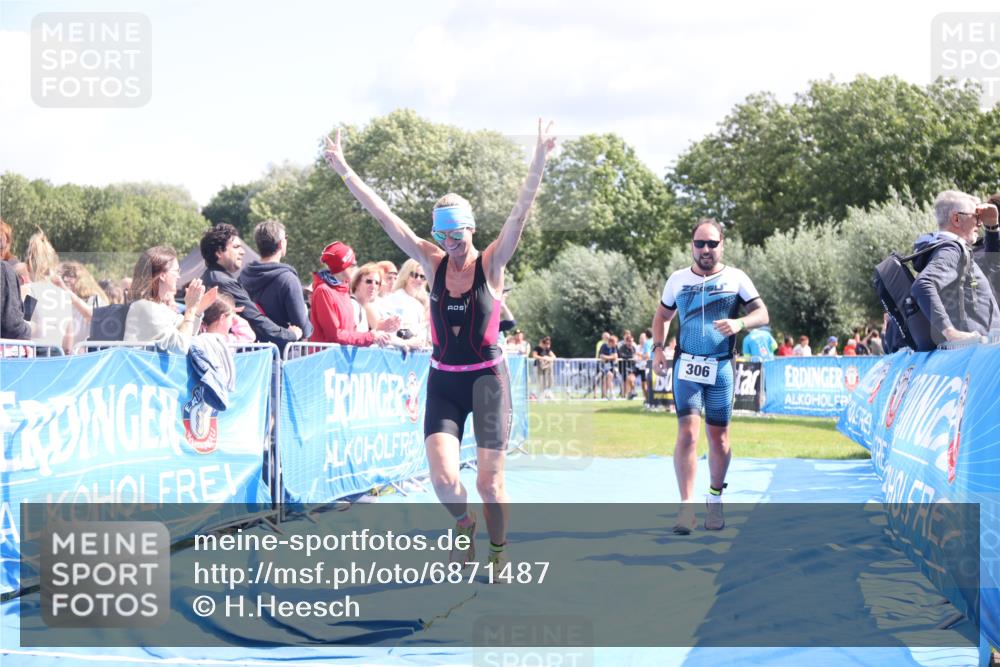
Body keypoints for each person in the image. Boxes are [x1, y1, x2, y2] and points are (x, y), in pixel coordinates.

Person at [322, 118, 556, 572]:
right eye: (442, 235)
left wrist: (539, 160)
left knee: (490, 484)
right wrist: (345, 170)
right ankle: (464, 524)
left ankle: (499, 551)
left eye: (457, 235)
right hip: (444, 383)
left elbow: (519, 215)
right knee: (445, 481)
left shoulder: (492, 263)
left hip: (488, 382)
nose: (449, 244)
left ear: (470, 229)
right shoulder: (431, 261)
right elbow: (384, 217)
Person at [652, 218, 769, 534]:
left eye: (712, 243)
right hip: (686, 367)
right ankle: (686, 507)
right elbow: (662, 315)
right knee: (688, 434)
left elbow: (762, 313)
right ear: (691, 245)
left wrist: (740, 324)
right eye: (700, 243)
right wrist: (658, 349)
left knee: (719, 438)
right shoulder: (677, 279)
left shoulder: (736, 278)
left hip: (720, 368)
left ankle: (715, 496)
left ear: (722, 245)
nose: (705, 249)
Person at [911, 191, 1000, 343]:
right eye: (976, 217)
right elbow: (923, 284)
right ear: (957, 219)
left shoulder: (952, 248)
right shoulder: (952, 249)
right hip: (973, 353)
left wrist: (992, 227)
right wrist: (951, 332)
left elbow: (992, 267)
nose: (980, 224)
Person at [199, 223, 301, 350]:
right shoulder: (222, 281)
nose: (242, 252)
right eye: (236, 247)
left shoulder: (213, 277)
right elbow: (256, 320)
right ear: (219, 252)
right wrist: (289, 335)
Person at [124, 246, 218, 354]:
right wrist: (191, 310)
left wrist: (197, 310)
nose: (178, 276)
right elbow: (181, 347)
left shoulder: (157, 307)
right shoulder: (145, 307)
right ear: (163, 275)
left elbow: (187, 333)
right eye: (176, 271)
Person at [239, 220, 313, 341]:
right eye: (286, 238)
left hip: (251, 351)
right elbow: (302, 327)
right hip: (282, 352)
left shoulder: (243, 276)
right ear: (280, 243)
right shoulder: (288, 279)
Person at [310, 242, 392, 347]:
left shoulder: (344, 289)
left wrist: (376, 333)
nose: (355, 267)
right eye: (353, 264)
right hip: (326, 360)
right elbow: (334, 335)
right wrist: (371, 337)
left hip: (341, 359)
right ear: (342, 267)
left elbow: (351, 331)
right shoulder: (323, 291)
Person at [22, 231, 73, 354]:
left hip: (33, 359)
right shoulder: (64, 295)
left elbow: (23, 326)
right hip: (58, 358)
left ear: (28, 265)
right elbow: (68, 343)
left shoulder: (29, 290)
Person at [383, 258, 431, 348]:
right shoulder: (394, 299)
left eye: (422, 276)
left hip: (419, 355)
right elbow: (396, 331)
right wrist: (411, 341)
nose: (418, 279)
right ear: (406, 275)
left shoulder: (421, 304)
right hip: (399, 353)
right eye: (414, 275)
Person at [350, 262, 401, 334]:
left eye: (377, 283)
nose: (373, 286)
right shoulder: (352, 305)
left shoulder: (361, 307)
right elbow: (351, 337)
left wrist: (379, 329)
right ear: (356, 283)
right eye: (369, 281)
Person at [531, 335, 557, 401]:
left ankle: (546, 395)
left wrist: (548, 358)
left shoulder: (547, 350)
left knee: (547, 381)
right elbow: (534, 355)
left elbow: (554, 357)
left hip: (545, 368)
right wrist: (542, 358)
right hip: (537, 368)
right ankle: (537, 396)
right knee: (539, 382)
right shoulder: (537, 348)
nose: (547, 346)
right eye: (546, 344)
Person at [618, 330, 638, 399]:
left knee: (631, 379)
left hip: (632, 368)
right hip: (623, 367)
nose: (630, 343)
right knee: (625, 381)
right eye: (629, 341)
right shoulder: (622, 348)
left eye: (632, 341)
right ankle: (625, 394)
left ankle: (632, 392)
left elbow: (636, 355)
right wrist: (631, 356)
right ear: (626, 341)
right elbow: (622, 355)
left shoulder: (633, 348)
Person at [598, 334, 619, 399]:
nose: (616, 344)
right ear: (611, 342)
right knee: (609, 376)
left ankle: (606, 395)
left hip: (611, 365)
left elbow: (615, 356)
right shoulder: (604, 346)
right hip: (604, 365)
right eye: (615, 342)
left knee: (608, 379)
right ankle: (611, 394)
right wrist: (611, 357)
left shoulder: (614, 347)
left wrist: (607, 357)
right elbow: (601, 356)